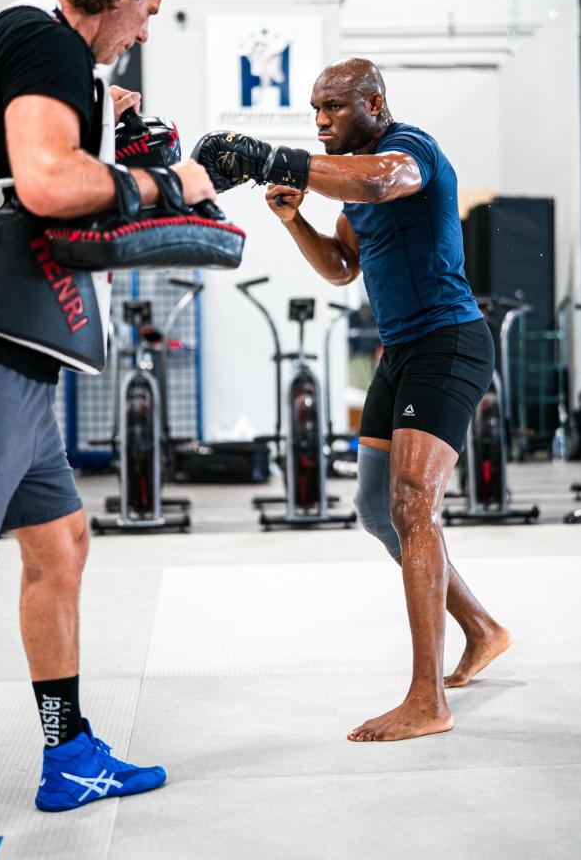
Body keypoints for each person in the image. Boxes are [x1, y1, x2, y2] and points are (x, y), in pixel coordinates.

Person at [194, 58, 511, 742]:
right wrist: (293, 221)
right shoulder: (351, 197)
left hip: (448, 343)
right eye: (314, 111)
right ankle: (482, 628)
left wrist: (277, 158)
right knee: (376, 509)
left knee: (412, 504)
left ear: (373, 102)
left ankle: (428, 699)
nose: (320, 122)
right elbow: (342, 269)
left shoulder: (410, 150)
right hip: (400, 354)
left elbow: (383, 178)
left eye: (332, 109)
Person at [0, 0, 216, 810]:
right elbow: (44, 184)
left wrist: (101, 130)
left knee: (63, 543)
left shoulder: (25, 44)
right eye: (146, 9)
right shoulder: (46, 46)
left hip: (25, 349)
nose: (147, 31)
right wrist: (165, 184)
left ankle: (67, 752)